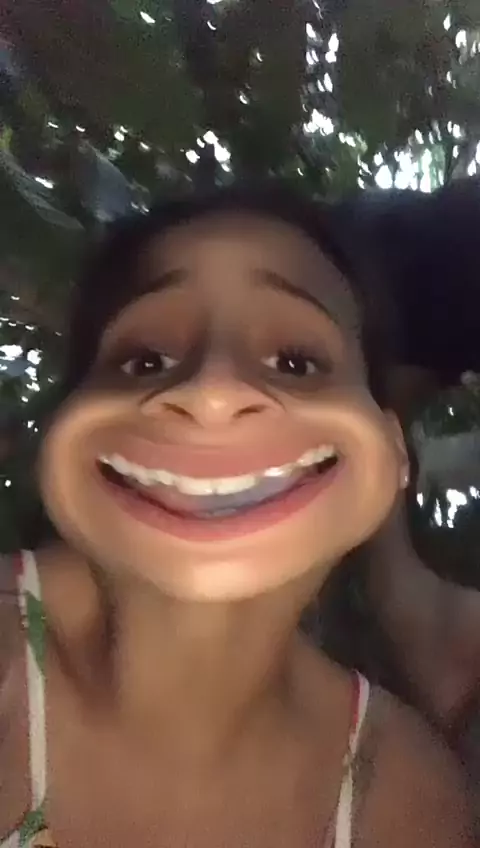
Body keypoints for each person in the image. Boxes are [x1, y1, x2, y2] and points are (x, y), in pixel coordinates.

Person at [0, 183, 471, 847]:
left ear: (393, 450)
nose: (213, 392)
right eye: (145, 360)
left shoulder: (409, 802)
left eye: (295, 362)